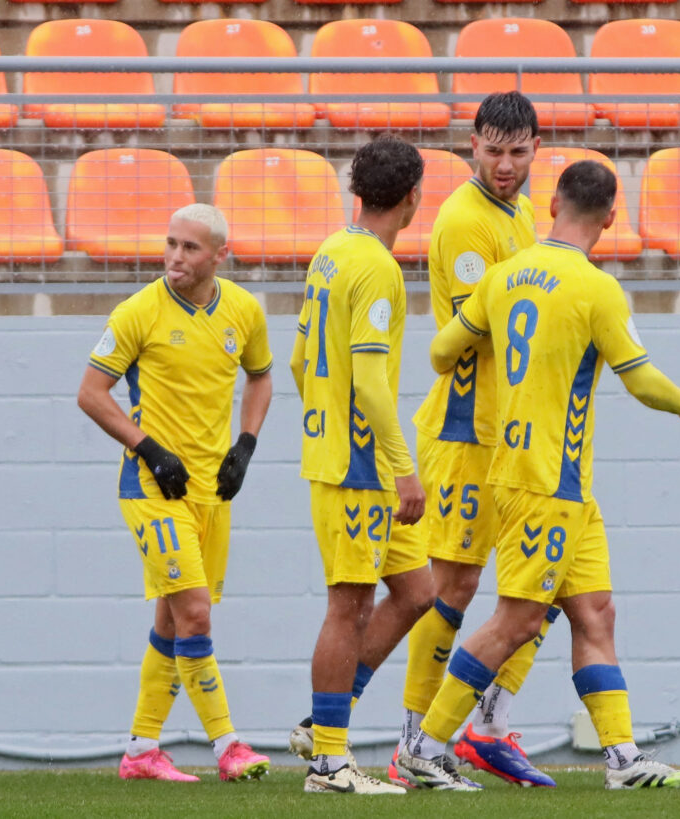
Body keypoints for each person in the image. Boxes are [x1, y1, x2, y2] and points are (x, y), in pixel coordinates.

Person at [395, 160, 680, 791]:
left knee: (595, 611)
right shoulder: (598, 290)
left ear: (552, 204)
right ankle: (424, 749)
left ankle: (621, 758)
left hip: (546, 478)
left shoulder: (507, 276)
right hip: (545, 479)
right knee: (515, 619)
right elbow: (642, 381)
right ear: (612, 218)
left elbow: (438, 352)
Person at [77, 203, 274, 783]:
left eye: (189, 248)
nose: (174, 258)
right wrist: (148, 448)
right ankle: (228, 746)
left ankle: (141, 750)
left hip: (210, 491)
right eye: (169, 244)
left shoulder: (242, 309)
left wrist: (246, 444)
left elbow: (261, 376)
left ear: (219, 255)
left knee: (172, 619)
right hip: (151, 488)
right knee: (195, 614)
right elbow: (91, 392)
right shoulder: (139, 310)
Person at [397, 90, 557, 788]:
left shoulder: (519, 211)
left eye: (518, 151)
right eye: (493, 150)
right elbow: (479, 326)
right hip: (466, 430)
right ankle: (413, 743)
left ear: (535, 151)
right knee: (453, 587)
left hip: (513, 430)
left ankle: (485, 724)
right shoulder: (465, 222)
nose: (504, 164)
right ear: (472, 144)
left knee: (548, 582)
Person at [289, 135, 448, 794]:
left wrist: (321, 417)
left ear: (358, 191)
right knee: (348, 606)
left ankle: (321, 723)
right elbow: (372, 384)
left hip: (344, 453)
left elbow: (301, 360)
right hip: (360, 466)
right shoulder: (378, 268)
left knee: (417, 592)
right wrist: (403, 467)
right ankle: (329, 761)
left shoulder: (330, 251)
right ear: (413, 197)